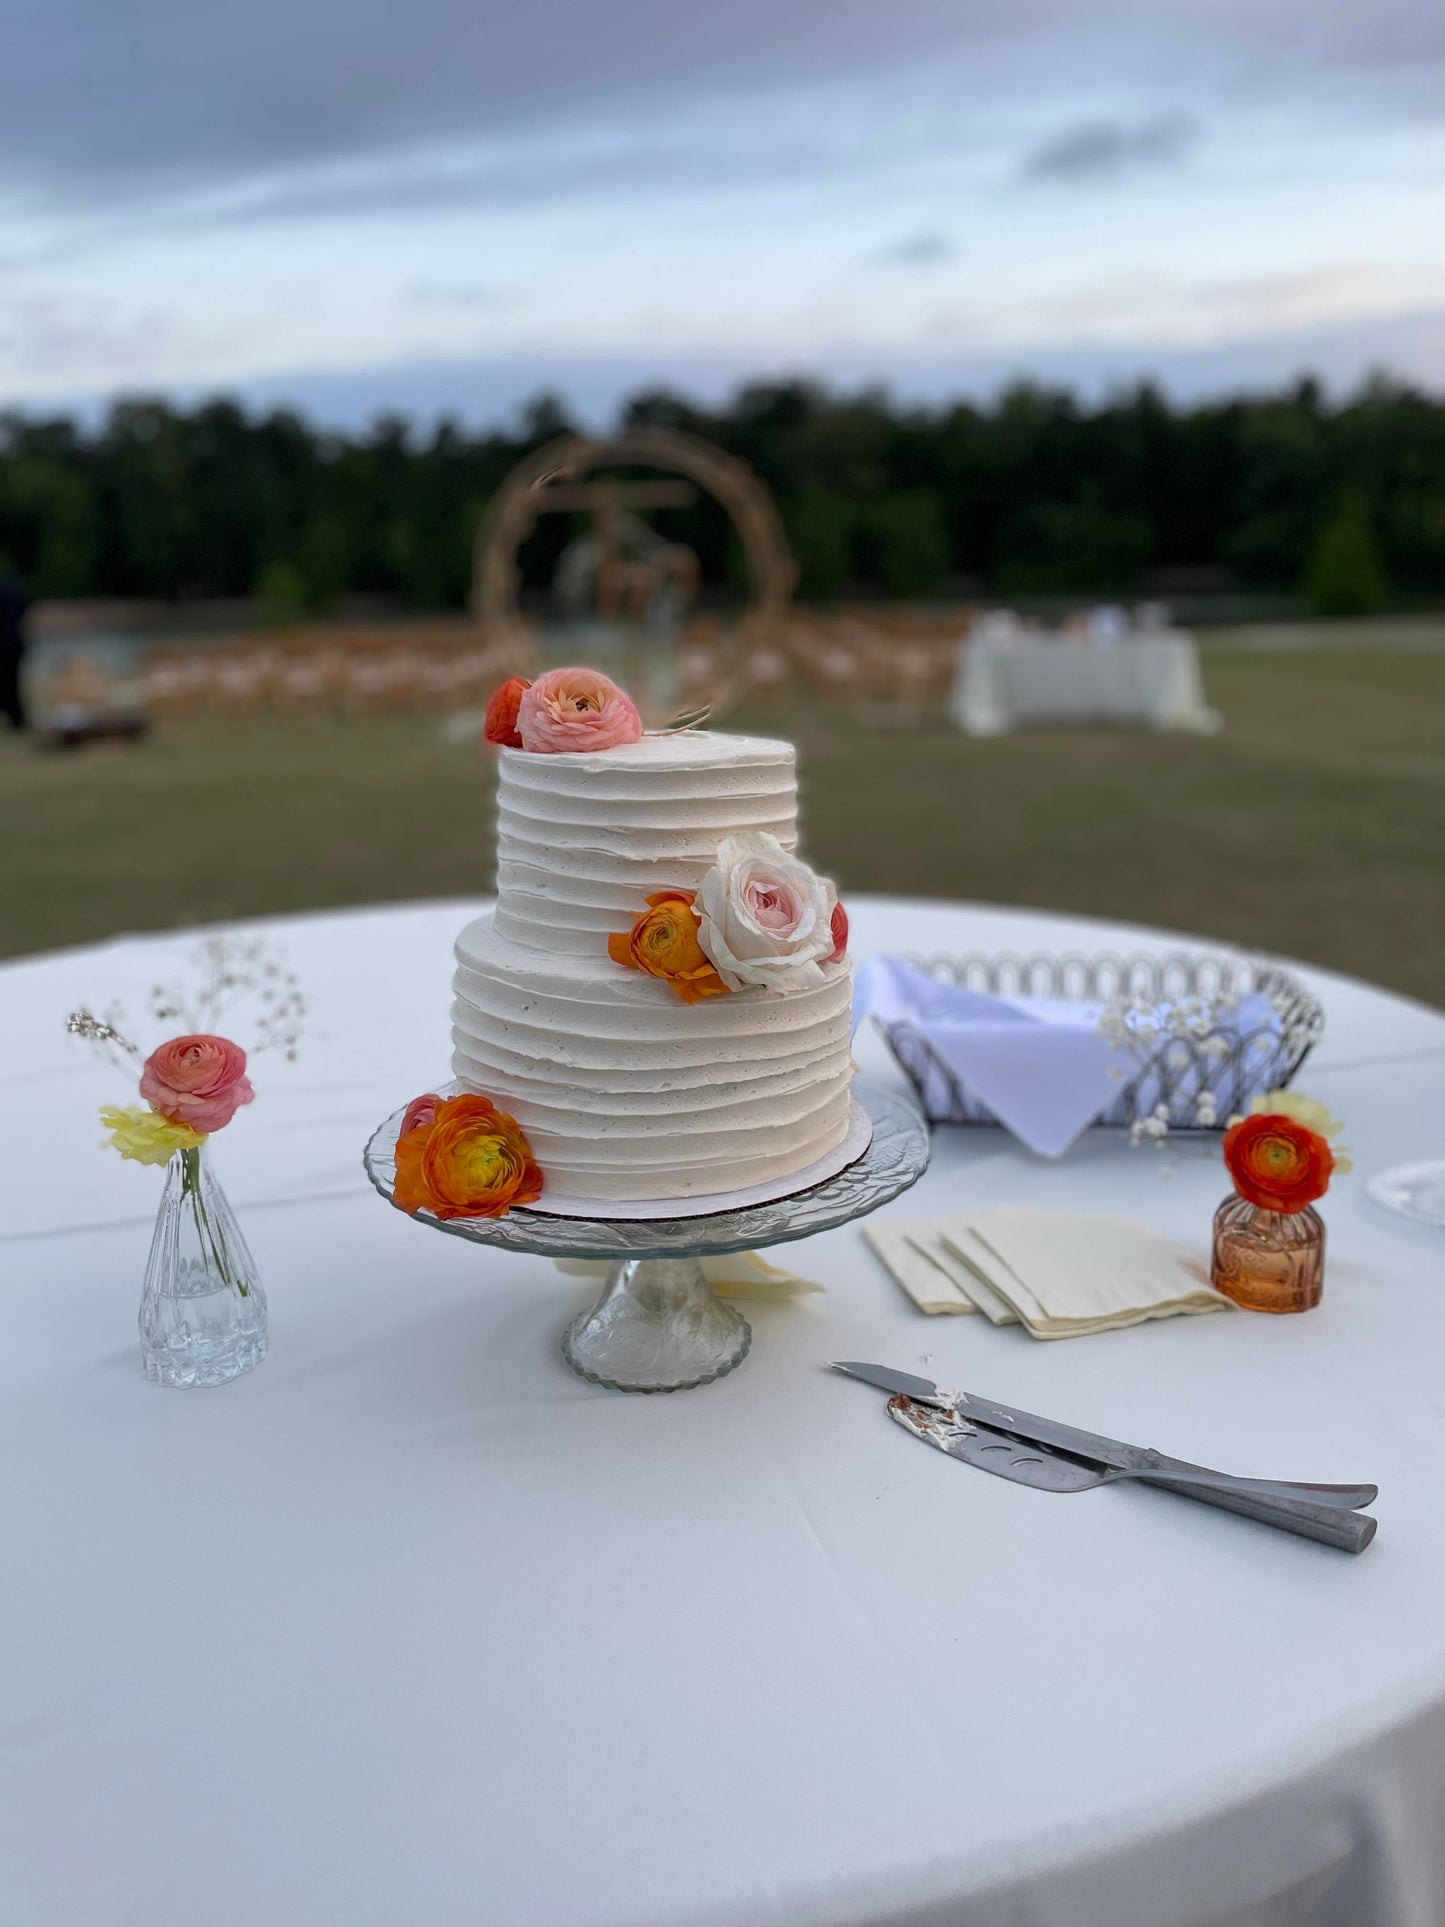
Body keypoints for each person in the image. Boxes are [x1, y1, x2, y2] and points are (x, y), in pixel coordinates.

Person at [0, 571, 31, 731]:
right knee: (13, 683)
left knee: (8, 684)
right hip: (15, 643)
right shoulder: (14, 589)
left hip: (5, 644)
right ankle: (16, 718)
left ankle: (14, 717)